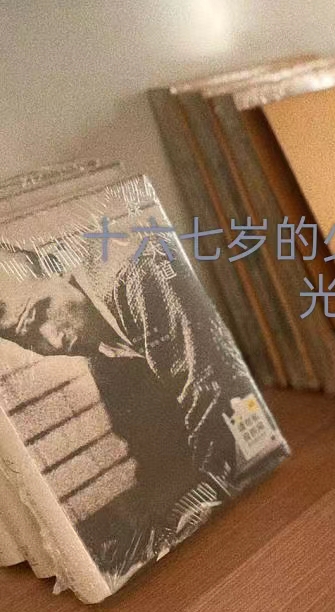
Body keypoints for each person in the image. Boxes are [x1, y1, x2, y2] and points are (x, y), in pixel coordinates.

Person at [0, 243, 241, 574]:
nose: (53, 341)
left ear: (59, 270)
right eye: (30, 340)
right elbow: (154, 456)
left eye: (40, 313)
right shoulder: (104, 357)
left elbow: (212, 400)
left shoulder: (136, 279)